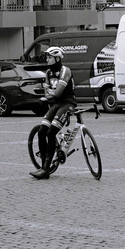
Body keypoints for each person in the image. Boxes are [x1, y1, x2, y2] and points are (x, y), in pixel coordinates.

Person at [32, 46, 76, 178]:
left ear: (57, 58)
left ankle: (45, 170)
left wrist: (52, 93)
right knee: (41, 132)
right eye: (47, 57)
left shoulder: (65, 71)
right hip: (56, 104)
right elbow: (48, 94)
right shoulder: (48, 73)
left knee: (51, 133)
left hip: (68, 104)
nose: (47, 59)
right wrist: (52, 93)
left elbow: (57, 93)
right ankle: (43, 166)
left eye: (50, 57)